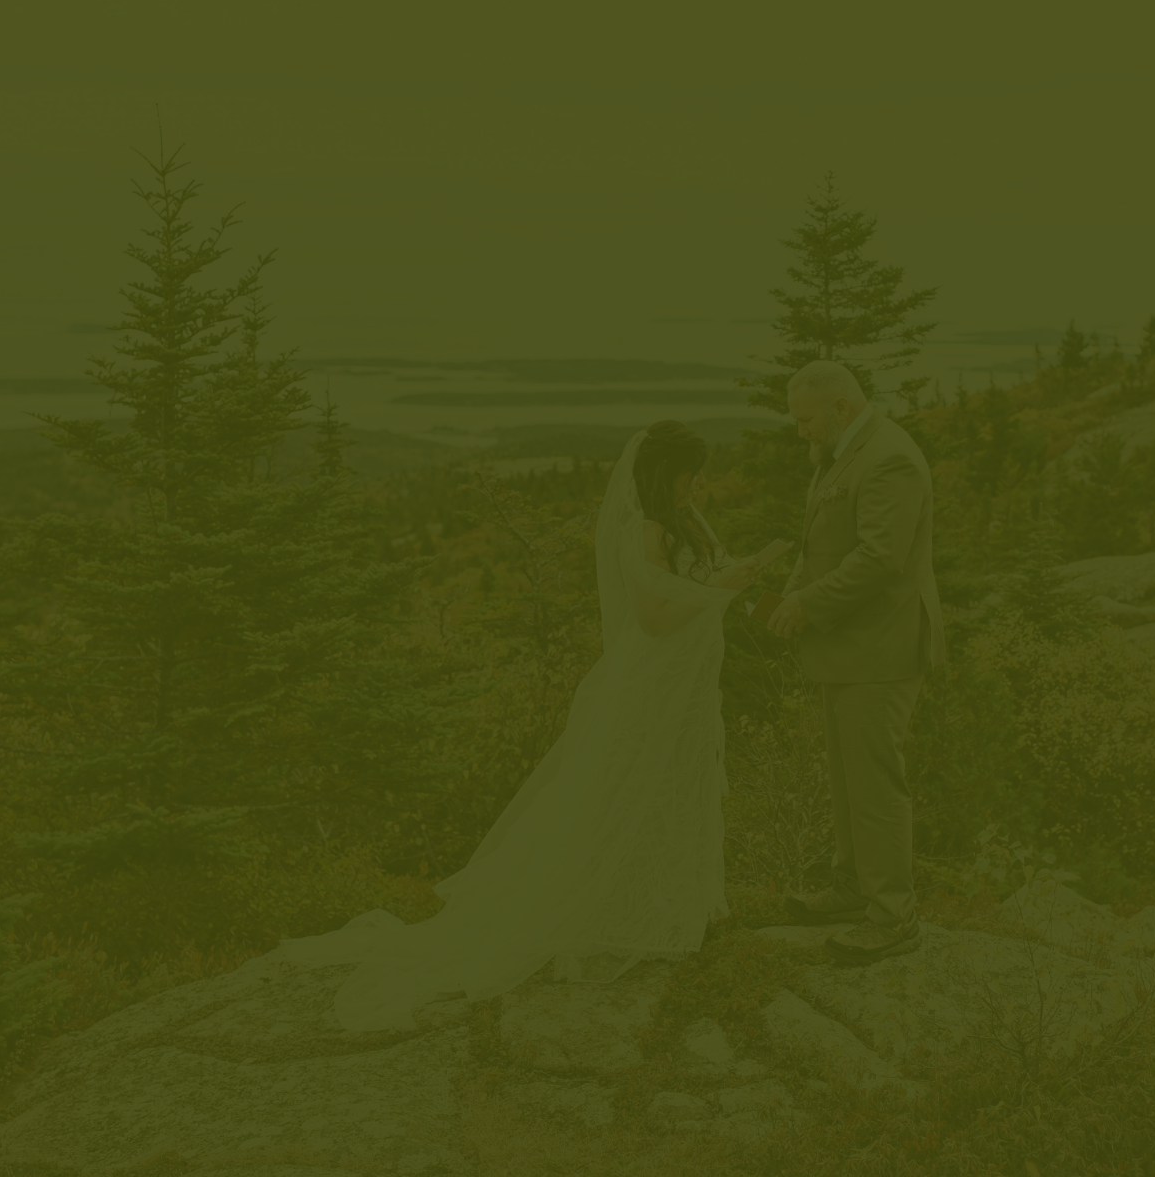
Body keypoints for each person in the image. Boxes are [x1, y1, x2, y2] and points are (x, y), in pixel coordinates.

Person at [274, 416, 787, 1031]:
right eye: (688, 473)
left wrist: (766, 596)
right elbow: (652, 617)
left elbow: (717, 578)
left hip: (688, 690)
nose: (698, 483)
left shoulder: (688, 521)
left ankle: (669, 914)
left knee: (677, 791)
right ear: (662, 474)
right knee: (625, 796)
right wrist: (723, 588)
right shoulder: (643, 530)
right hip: (649, 685)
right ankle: (607, 919)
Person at [769, 360, 949, 967]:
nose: (800, 431)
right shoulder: (842, 451)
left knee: (875, 785)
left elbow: (881, 559)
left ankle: (894, 917)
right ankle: (853, 890)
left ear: (842, 406)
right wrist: (794, 591)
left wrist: (808, 606)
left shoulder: (888, 457)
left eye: (807, 419)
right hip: (849, 646)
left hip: (883, 648)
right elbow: (818, 542)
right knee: (848, 779)